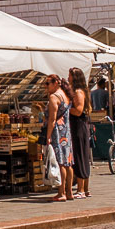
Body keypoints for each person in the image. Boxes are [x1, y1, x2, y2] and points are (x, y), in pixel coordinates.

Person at [44, 73, 75, 201]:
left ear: (55, 83)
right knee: (68, 162)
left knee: (60, 162)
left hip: (57, 131)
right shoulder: (65, 95)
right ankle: (69, 192)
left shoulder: (54, 97)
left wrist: (48, 135)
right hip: (66, 131)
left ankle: (61, 192)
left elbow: (52, 119)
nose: (45, 87)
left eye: (47, 83)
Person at [68, 68, 92, 198]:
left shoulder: (78, 92)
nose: (68, 77)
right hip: (81, 125)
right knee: (83, 156)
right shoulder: (84, 91)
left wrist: (66, 108)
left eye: (70, 75)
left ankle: (81, 189)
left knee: (80, 156)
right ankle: (85, 189)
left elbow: (78, 110)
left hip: (78, 126)